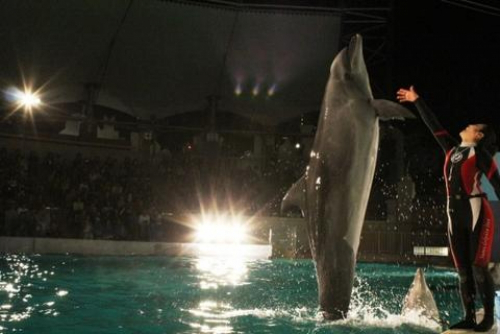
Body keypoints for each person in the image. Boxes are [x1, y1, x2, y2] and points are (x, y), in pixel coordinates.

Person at [397, 86, 500, 331]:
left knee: (478, 266)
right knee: (463, 270)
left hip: (476, 211)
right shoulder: (451, 150)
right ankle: (468, 316)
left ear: (479, 136)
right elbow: (433, 125)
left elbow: (497, 184)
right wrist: (417, 100)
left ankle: (486, 318)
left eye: (473, 126)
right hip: (454, 214)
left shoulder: (480, 154)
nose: (467, 126)